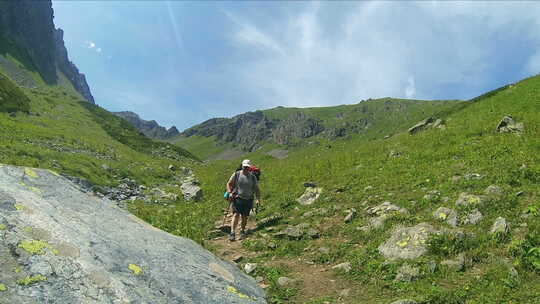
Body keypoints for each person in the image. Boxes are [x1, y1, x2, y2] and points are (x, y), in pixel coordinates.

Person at [226, 159, 261, 241]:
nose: (245, 168)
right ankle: (232, 232)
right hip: (238, 198)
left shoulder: (253, 177)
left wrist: (258, 199)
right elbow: (229, 183)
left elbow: (257, 189)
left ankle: (242, 231)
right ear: (242, 166)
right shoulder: (237, 174)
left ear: (249, 168)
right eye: (244, 166)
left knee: (245, 216)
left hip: (248, 199)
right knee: (236, 214)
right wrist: (229, 192)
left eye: (247, 167)